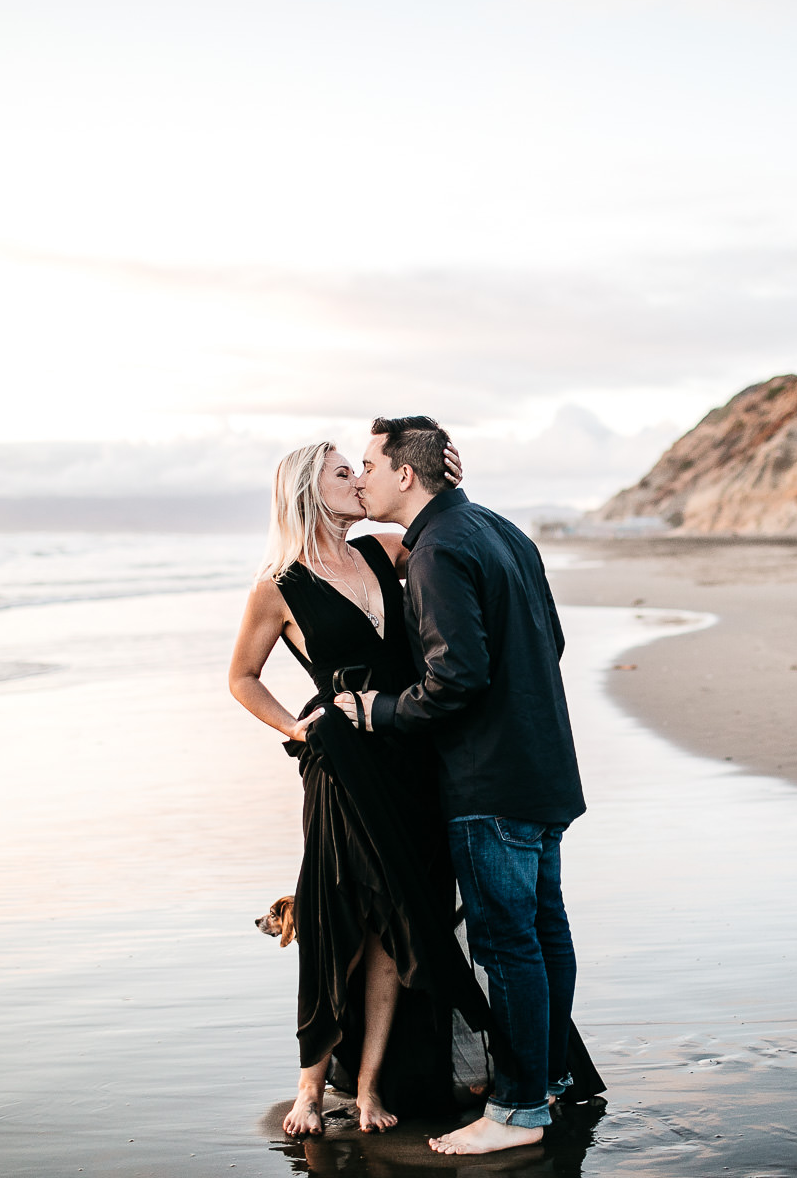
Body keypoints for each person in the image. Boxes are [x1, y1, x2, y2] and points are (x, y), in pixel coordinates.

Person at [335, 415, 604, 1157]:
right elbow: (548, 641)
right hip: (544, 766)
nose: (361, 477)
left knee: (506, 944)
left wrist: (378, 710)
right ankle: (546, 1079)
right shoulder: (500, 530)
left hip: (490, 783)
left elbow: (455, 676)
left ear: (405, 474)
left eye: (368, 465)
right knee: (543, 932)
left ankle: (516, 1111)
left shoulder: (437, 551)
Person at [228, 439, 487, 1138]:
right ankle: (309, 1089)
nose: (359, 480)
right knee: (335, 921)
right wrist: (295, 727)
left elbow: (445, 533)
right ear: (309, 492)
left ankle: (368, 1086)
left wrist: (443, 484)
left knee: (397, 925)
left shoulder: (385, 551)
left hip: (410, 757)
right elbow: (242, 677)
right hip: (341, 766)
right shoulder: (278, 585)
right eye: (344, 473)